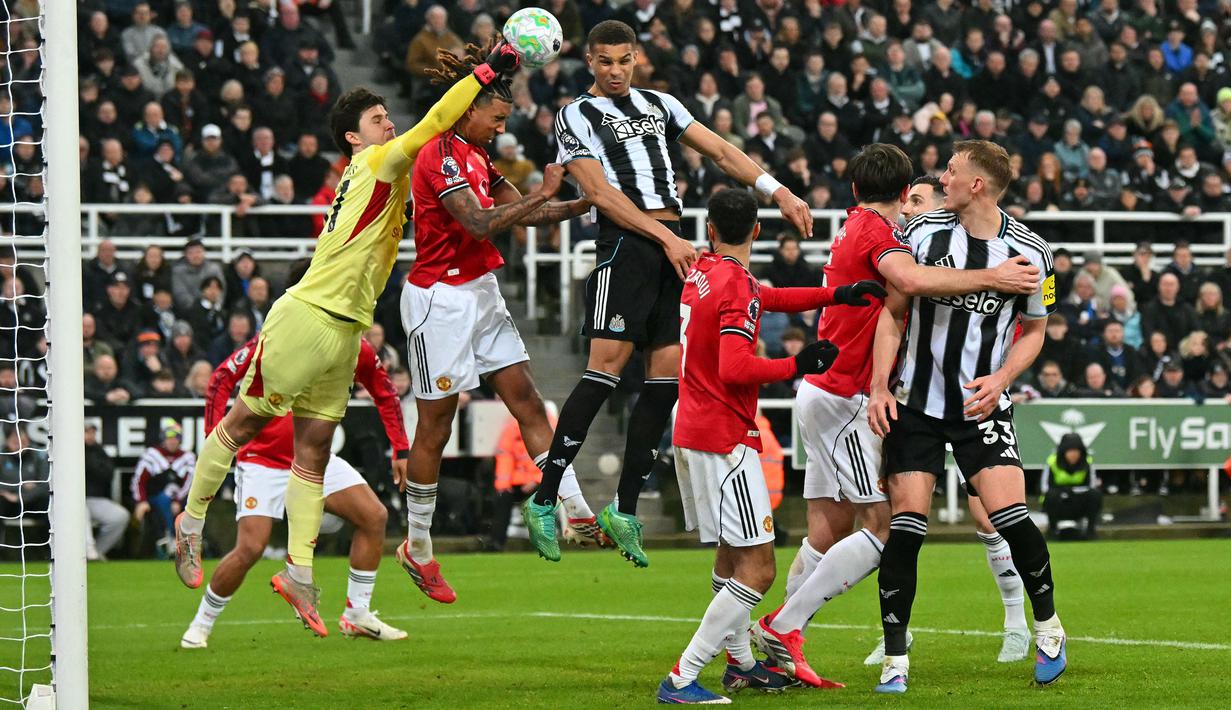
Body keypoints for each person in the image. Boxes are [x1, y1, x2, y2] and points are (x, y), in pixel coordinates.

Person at [173, 41, 523, 637]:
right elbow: (439, 121)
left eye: (388, 114)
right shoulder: (377, 163)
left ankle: (301, 573)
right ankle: (191, 521)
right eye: (376, 119)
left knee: (313, 449)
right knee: (244, 423)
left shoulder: (390, 174)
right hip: (308, 315)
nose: (388, 121)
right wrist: (485, 71)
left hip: (346, 329)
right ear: (354, 140)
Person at [525, 20, 814, 568]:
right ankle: (545, 499)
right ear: (589, 61)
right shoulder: (575, 115)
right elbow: (597, 192)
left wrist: (778, 192)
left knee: (664, 381)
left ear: (637, 60)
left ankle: (624, 508)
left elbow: (723, 152)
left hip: (670, 248)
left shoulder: (660, 103)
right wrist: (664, 237)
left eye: (624, 60)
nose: (615, 71)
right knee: (604, 372)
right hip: (625, 248)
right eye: (605, 62)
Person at [754, 156, 1040, 687]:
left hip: (827, 393)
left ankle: (772, 651)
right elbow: (909, 281)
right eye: (911, 201)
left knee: (826, 529)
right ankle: (782, 628)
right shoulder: (878, 234)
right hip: (848, 396)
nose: (915, 212)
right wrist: (994, 275)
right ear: (902, 192)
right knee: (888, 528)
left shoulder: (860, 226)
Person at [395, 41, 595, 601]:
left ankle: (576, 511)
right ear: (468, 110)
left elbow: (532, 212)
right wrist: (545, 195)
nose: (500, 128)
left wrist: (589, 204)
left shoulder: (478, 156)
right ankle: (418, 544)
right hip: (440, 300)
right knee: (435, 426)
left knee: (528, 401)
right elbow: (481, 223)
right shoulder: (437, 154)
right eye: (497, 117)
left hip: (480, 292)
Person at [868, 140, 1067, 693]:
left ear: (975, 184)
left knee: (1011, 518)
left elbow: (1034, 332)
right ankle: (895, 660)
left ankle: (1048, 628)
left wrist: (1003, 379)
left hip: (982, 404)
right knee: (906, 531)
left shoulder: (1031, 252)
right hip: (917, 405)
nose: (942, 178)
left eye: (952, 172)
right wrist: (880, 384)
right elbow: (893, 312)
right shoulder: (922, 234)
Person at [658, 188, 851, 703]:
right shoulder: (735, 285)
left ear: (711, 231)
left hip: (692, 427)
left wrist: (835, 295)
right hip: (723, 435)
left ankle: (741, 664)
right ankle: (683, 674)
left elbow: (768, 296)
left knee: (729, 556)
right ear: (759, 230)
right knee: (759, 566)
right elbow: (735, 367)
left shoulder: (702, 272)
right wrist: (798, 365)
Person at [181, 324, 410, 648]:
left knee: (374, 516)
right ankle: (200, 624)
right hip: (262, 461)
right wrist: (214, 440)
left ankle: (357, 614)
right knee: (250, 548)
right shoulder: (284, 331)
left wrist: (401, 447)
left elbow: (384, 392)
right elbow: (221, 377)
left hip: (315, 457)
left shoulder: (353, 345)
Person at [132, 419, 196, 550]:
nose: (172, 441)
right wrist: (141, 501)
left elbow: (191, 483)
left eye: (176, 438)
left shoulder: (188, 457)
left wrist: (178, 500)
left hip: (180, 499)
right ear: (163, 439)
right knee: (163, 499)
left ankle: (189, 541)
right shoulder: (152, 454)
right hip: (155, 498)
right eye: (169, 438)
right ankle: (171, 537)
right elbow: (139, 480)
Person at [1041, 433, 1101, 540]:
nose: (1073, 454)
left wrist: (1073, 491)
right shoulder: (1052, 462)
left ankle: (1090, 531)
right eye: (1070, 451)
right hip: (1059, 502)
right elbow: (1045, 487)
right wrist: (1063, 492)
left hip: (1079, 502)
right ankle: (1052, 530)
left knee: (1095, 495)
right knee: (1050, 496)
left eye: (1076, 451)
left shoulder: (1087, 462)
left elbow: (1092, 485)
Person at [85, 423, 129, 561]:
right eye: (87, 432)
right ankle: (88, 549)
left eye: (92, 432)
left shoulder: (99, 451)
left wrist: (90, 458)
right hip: (70, 500)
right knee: (80, 510)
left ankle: (97, 552)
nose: (90, 436)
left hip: (94, 498)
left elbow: (108, 474)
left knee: (121, 516)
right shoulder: (67, 450)